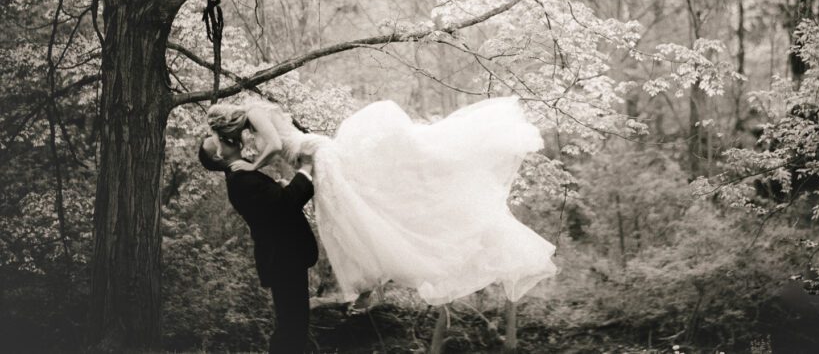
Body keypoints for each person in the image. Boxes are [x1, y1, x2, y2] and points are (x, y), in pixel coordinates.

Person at [206, 96, 557, 307]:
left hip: (317, 153)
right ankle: (371, 282)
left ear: (226, 120)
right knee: (351, 213)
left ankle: (370, 282)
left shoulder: (253, 112)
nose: (227, 138)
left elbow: (272, 145)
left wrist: (253, 164)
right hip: (311, 156)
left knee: (348, 215)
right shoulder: (251, 120)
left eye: (221, 132)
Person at [198, 133, 318, 354]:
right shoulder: (242, 180)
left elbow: (274, 208)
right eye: (220, 141)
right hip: (283, 258)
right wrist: (307, 167)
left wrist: (280, 188)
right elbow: (287, 203)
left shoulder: (242, 175)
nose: (226, 138)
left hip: (283, 257)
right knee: (292, 329)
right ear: (218, 156)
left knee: (293, 326)